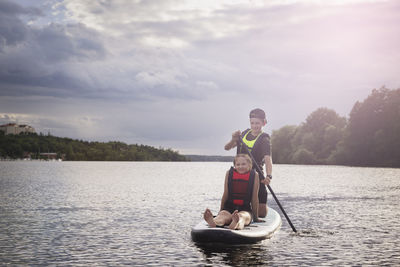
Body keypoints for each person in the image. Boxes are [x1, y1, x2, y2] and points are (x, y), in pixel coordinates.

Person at [224, 108, 272, 218]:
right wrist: (233, 139)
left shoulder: (264, 140)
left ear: (264, 123)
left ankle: (249, 211)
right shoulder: (244, 134)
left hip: (256, 175)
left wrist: (269, 176)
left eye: (258, 123)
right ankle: (239, 211)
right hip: (239, 174)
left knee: (262, 214)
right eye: (252, 123)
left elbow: (268, 159)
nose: (255, 126)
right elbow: (227, 148)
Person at [203, 154, 262, 230]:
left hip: (245, 209)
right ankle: (214, 222)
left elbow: (254, 198)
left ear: (249, 165)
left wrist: (255, 217)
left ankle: (235, 223)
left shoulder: (254, 175)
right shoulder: (229, 173)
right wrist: (220, 211)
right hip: (229, 208)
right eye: (238, 164)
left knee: (242, 217)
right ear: (234, 165)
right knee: (223, 215)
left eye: (243, 164)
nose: (240, 166)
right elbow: (225, 194)